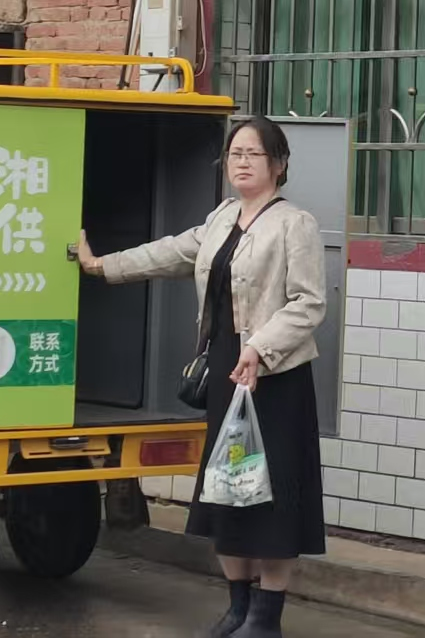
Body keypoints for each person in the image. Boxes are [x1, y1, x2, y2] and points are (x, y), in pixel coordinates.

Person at [75, 116, 326, 638]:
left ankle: (265, 618)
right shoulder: (222, 218)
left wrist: (260, 347)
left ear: (279, 164)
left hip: (274, 377)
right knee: (229, 491)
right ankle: (237, 607)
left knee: (273, 498)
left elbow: (308, 303)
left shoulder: (294, 224)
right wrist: (102, 265)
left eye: (253, 153)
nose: (241, 162)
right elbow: (170, 252)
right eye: (234, 153)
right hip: (226, 373)